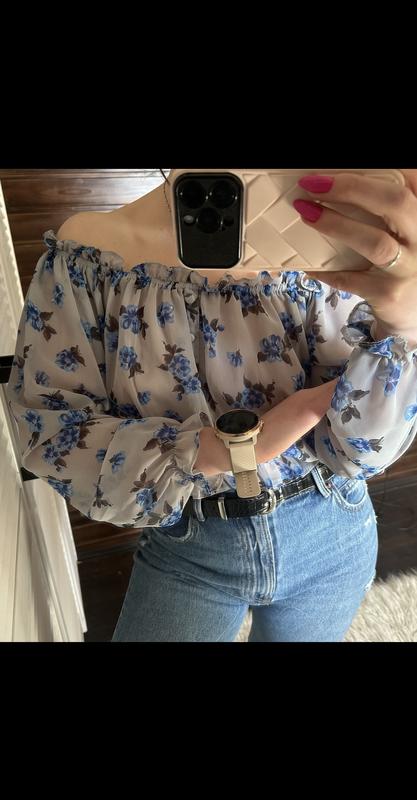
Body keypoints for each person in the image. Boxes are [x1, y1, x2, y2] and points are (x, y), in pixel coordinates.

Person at [6, 169, 417, 641]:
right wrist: (231, 449)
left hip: (332, 524)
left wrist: (402, 329)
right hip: (190, 541)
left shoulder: (345, 243)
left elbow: (363, 452)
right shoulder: (87, 257)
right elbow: (54, 432)